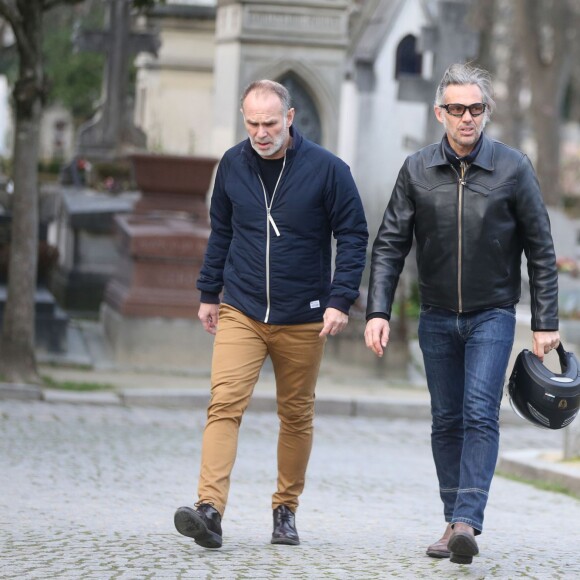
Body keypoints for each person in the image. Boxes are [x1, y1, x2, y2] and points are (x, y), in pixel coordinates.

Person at [364, 63, 560, 565]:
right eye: (456, 108)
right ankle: (454, 520)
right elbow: (389, 245)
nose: (466, 117)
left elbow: (540, 248)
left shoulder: (513, 168)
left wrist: (545, 322)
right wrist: (378, 310)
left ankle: (468, 519)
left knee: (478, 413)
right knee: (446, 420)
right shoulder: (417, 170)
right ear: (440, 112)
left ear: (486, 112)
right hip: (435, 316)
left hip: (492, 313)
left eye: (475, 108)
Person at [174, 80, 368, 549]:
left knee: (296, 414)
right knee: (224, 404)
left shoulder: (327, 170)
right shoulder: (233, 165)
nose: (261, 133)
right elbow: (221, 231)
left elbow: (354, 233)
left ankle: (286, 510)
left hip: (303, 315)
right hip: (240, 306)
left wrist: (341, 299)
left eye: (270, 123)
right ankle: (209, 510)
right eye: (252, 123)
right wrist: (207, 292)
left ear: (290, 117)